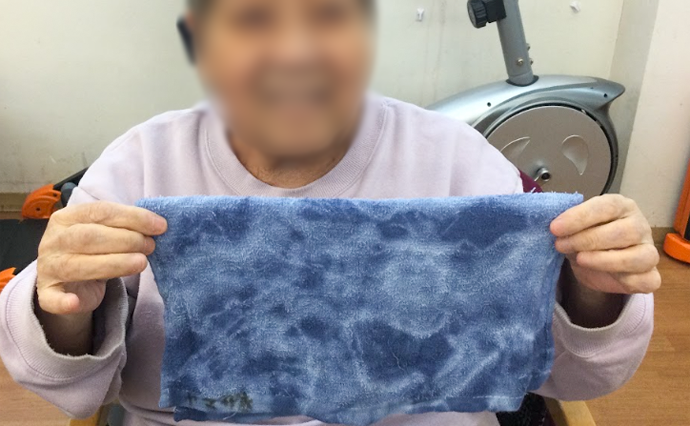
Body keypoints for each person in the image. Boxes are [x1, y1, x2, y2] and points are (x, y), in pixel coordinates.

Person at [0, 1, 659, 425]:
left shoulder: (459, 162)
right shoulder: (140, 164)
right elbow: (61, 380)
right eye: (253, 20)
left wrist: (592, 293)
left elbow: (571, 374)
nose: (295, 53)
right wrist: (65, 309)